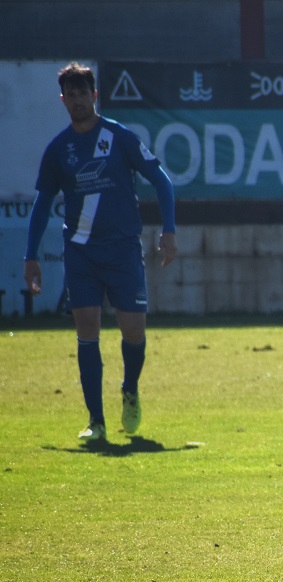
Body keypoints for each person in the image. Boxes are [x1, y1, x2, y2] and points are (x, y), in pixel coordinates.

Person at [23, 62, 178, 442]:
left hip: (123, 251)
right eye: (70, 95)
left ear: (95, 95)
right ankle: (97, 421)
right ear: (63, 100)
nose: (78, 101)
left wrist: (169, 231)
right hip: (81, 253)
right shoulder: (59, 150)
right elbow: (42, 204)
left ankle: (130, 389)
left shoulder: (119, 138)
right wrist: (31, 256)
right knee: (87, 330)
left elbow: (162, 180)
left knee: (134, 334)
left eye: (83, 93)